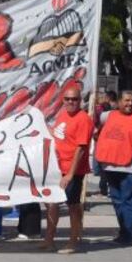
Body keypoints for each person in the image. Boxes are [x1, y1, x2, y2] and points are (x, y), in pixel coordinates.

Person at [94, 90, 132, 246]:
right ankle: (125, 230)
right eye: (126, 100)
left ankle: (127, 234)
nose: (130, 104)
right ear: (119, 102)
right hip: (111, 166)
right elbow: (95, 121)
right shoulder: (108, 115)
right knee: (117, 201)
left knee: (129, 201)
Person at [44, 87, 93, 253]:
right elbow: (59, 135)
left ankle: (73, 241)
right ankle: (49, 240)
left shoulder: (83, 119)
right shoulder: (62, 114)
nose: (71, 102)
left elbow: (80, 148)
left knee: (73, 206)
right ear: (63, 100)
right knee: (52, 204)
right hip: (57, 168)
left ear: (80, 100)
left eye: (74, 99)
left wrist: (71, 174)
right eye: (67, 99)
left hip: (72, 171)